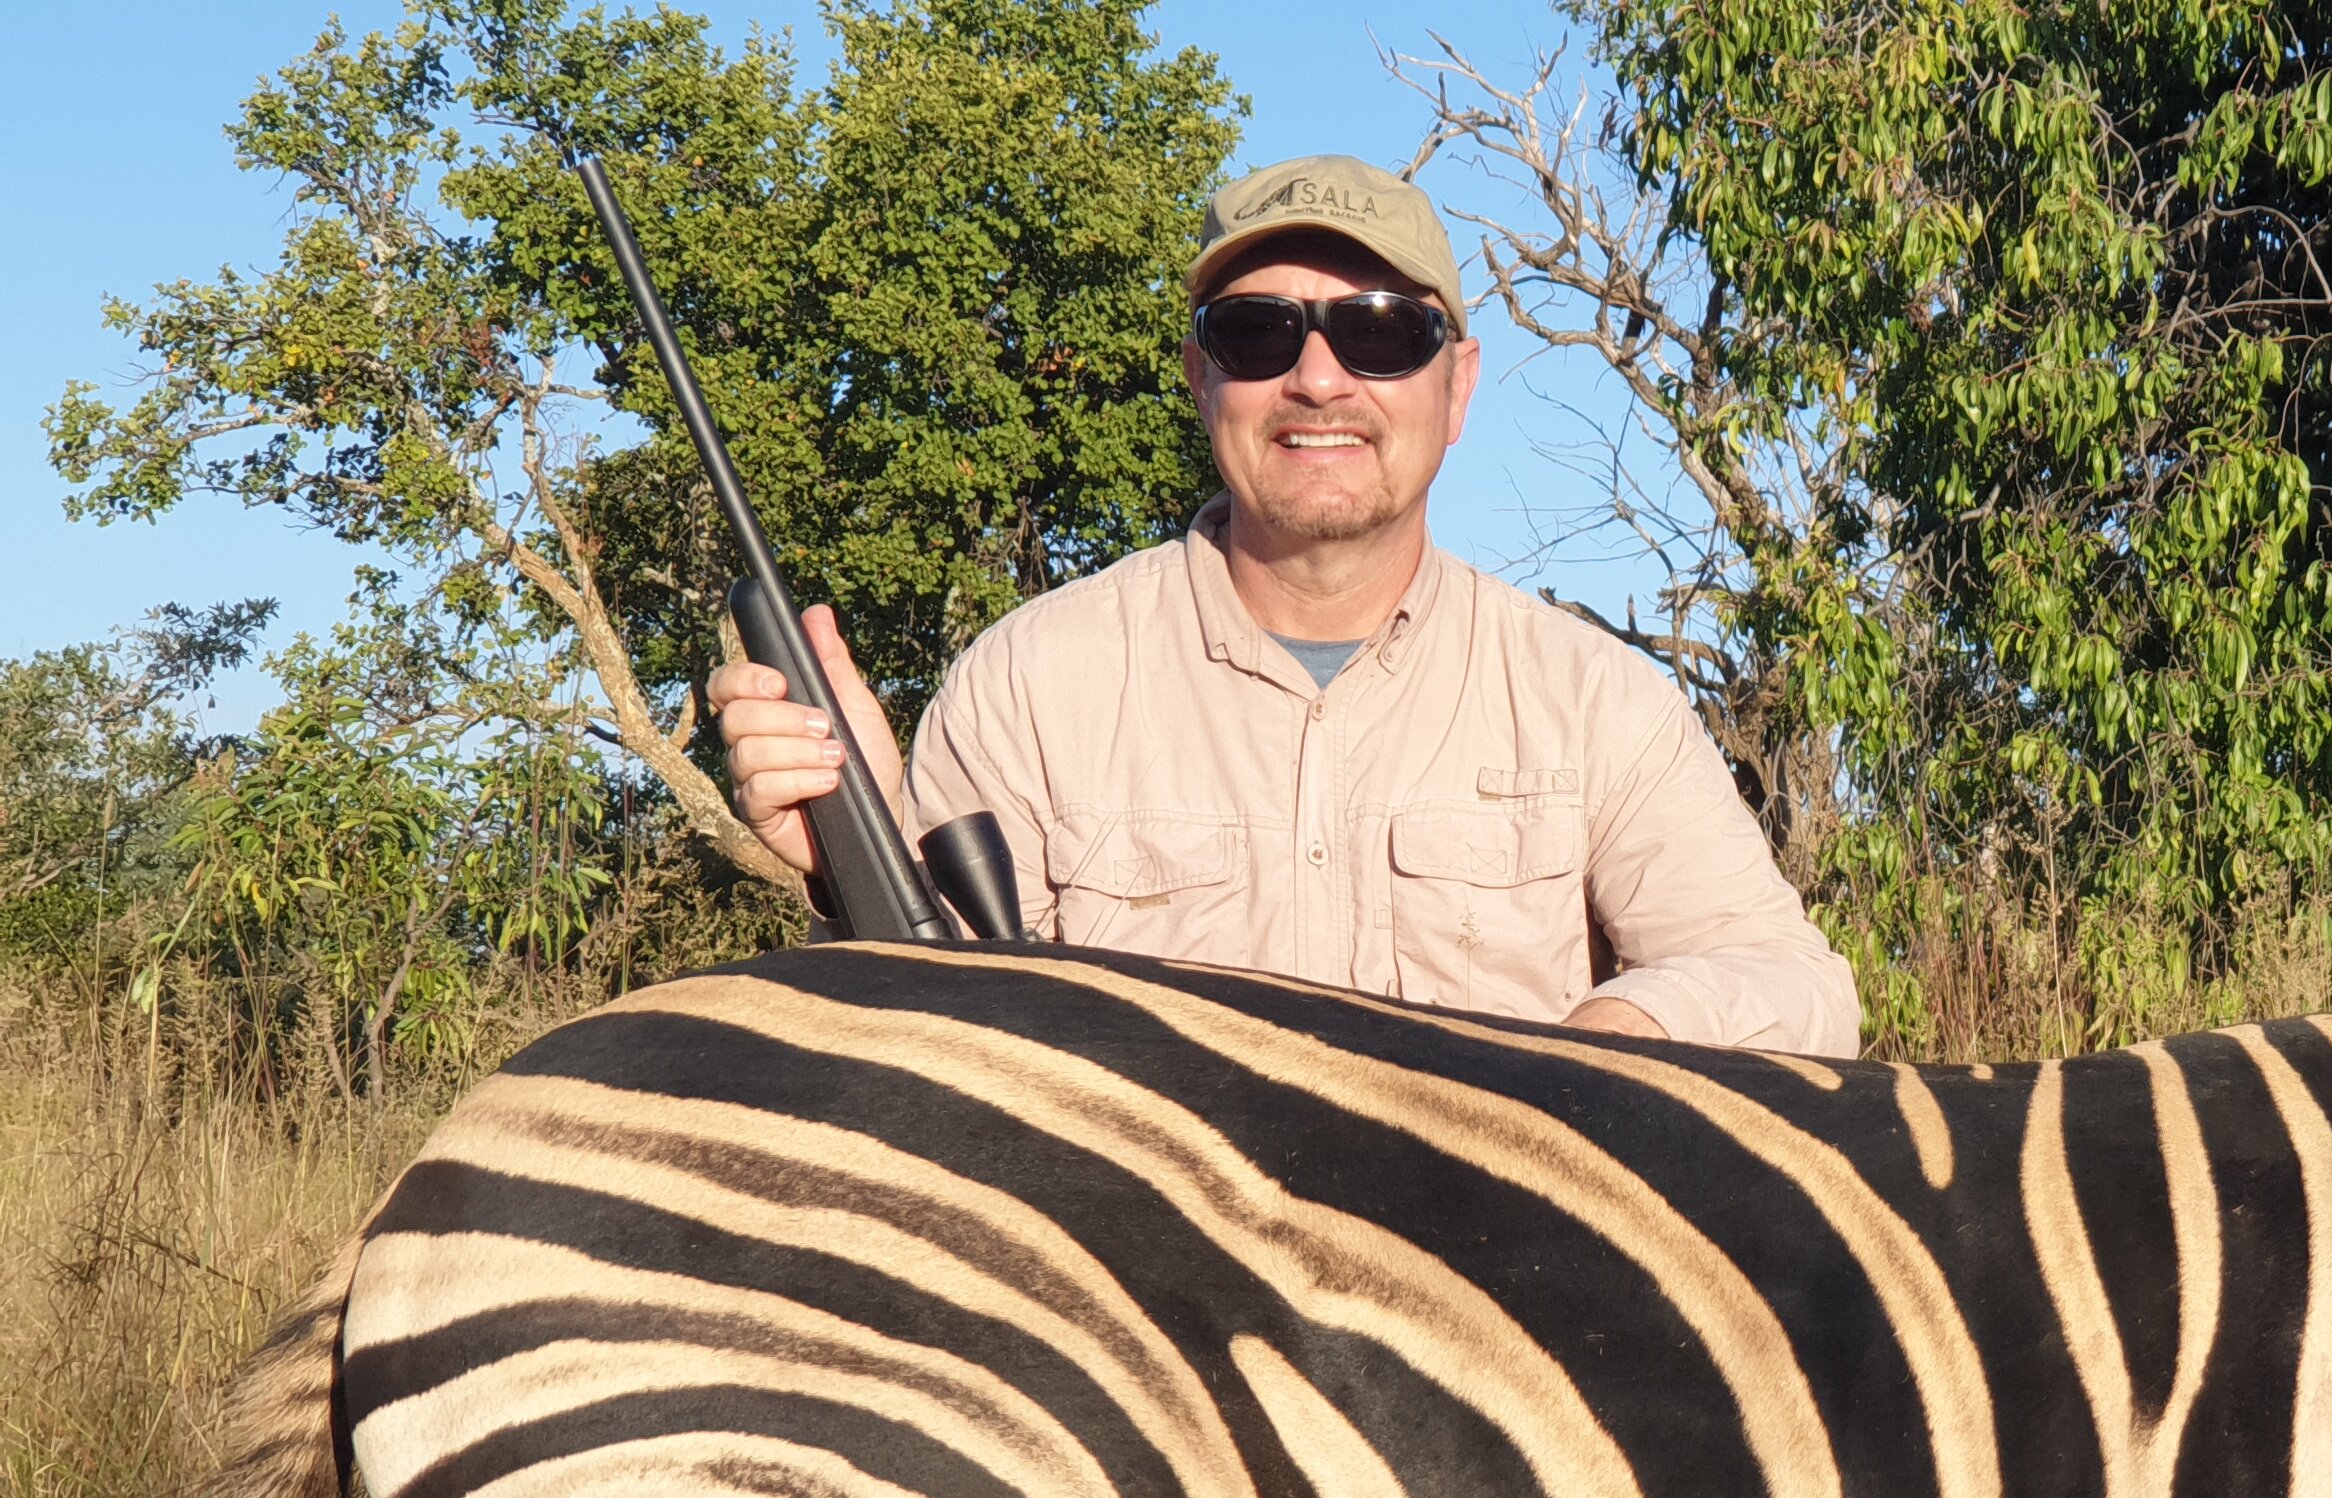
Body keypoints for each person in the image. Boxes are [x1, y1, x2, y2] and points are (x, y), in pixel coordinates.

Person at [707, 154, 1858, 1055]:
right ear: (1203, 379)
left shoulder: (1593, 700)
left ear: (1456, 386)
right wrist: (845, 858)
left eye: (1380, 332)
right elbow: (942, 1044)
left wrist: (1609, 1042)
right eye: (1257, 333)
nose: (1317, 379)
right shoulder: (1029, 684)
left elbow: (1791, 987)